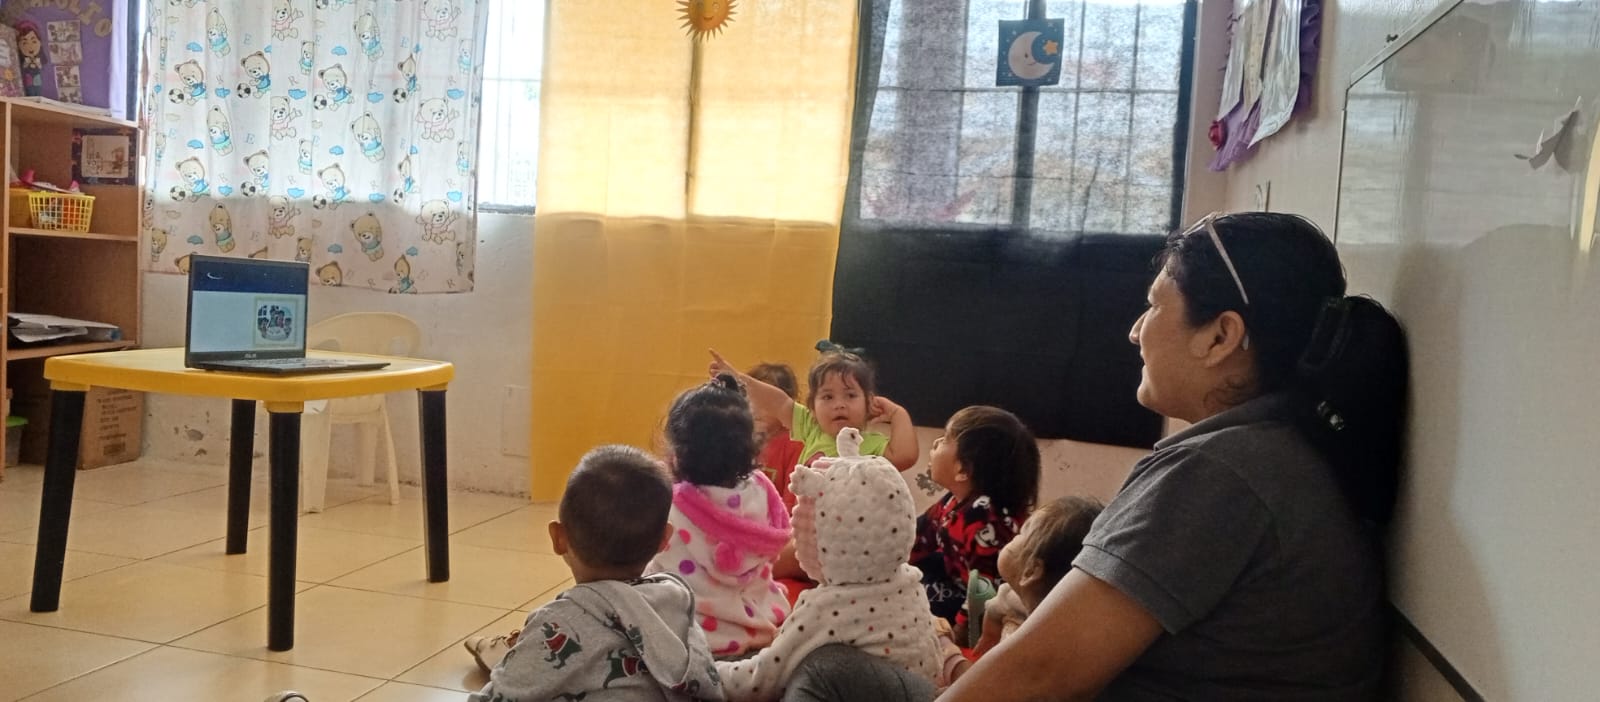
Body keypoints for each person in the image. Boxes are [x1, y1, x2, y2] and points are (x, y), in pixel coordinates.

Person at [943, 211, 1408, 700]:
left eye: (1154, 306)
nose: (1135, 331)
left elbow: (1038, 674)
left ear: (1220, 337)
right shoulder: (1276, 455)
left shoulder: (1222, 472)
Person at [469, 445, 724, 701]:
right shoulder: (676, 602)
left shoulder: (559, 622)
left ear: (558, 538)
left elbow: (500, 696)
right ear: (664, 540)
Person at [714, 428, 942, 701]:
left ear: (829, 539)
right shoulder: (908, 581)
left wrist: (706, 671)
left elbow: (759, 679)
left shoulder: (827, 607)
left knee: (809, 670)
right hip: (919, 691)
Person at [649, 374, 793, 658]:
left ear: (677, 453)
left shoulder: (668, 504)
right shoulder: (761, 491)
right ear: (750, 448)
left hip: (690, 636)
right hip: (760, 625)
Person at [910, 405, 1041, 626]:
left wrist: (960, 629)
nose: (936, 443)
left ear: (963, 470)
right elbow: (916, 537)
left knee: (921, 608)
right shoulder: (953, 501)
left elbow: (984, 590)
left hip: (982, 601)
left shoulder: (983, 518)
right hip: (958, 579)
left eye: (945, 439)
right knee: (915, 571)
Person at [709, 347, 918, 471]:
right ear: (812, 407)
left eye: (850, 395)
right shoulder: (811, 428)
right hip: (807, 523)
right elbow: (778, 401)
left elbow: (905, 456)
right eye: (828, 397)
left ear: (869, 403)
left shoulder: (871, 444)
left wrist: (897, 414)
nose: (839, 404)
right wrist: (737, 378)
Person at [971, 495, 1103, 657]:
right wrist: (989, 636)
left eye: (1021, 533)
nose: (1014, 536)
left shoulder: (1059, 632)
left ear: (1031, 571)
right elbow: (993, 610)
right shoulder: (1010, 596)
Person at [748, 362, 805, 509]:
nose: (755, 407)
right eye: (750, 399)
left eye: (765, 401)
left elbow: (790, 503)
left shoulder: (795, 444)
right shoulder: (740, 438)